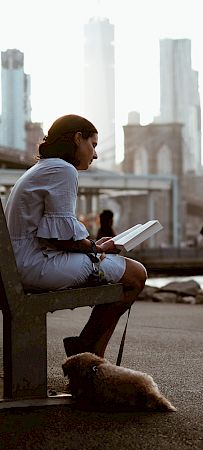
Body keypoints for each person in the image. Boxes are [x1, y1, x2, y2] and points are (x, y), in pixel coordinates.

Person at [5, 114, 147, 358]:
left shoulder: (42, 168)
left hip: (18, 264)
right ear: (77, 138)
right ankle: (89, 353)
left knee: (123, 271)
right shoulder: (63, 170)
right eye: (92, 145)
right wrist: (98, 249)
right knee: (135, 274)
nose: (95, 155)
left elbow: (53, 236)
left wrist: (93, 246)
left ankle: (89, 352)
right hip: (33, 266)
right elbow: (61, 239)